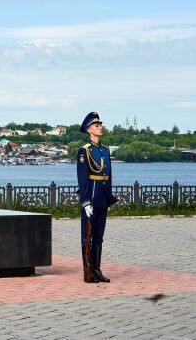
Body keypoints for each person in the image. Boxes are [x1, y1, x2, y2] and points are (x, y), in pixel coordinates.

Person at [77, 111, 118, 283]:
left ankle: (97, 269)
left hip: (102, 196)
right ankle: (88, 271)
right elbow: (83, 178)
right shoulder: (84, 151)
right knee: (88, 235)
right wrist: (86, 201)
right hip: (92, 196)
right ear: (89, 130)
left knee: (99, 235)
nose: (100, 127)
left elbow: (108, 176)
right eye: (96, 125)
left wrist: (109, 196)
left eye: (100, 125)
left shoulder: (105, 150)